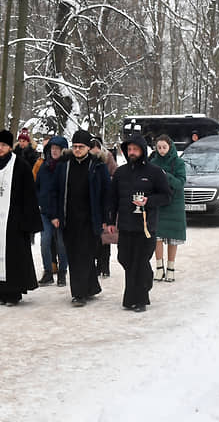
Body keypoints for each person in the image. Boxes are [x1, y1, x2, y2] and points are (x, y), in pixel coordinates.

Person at [0, 130, 43, 305]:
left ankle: (13, 293)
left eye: (4, 145)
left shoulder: (21, 166)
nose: (0, 148)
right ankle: (0, 291)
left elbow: (30, 196)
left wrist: (29, 223)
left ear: (9, 147)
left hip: (15, 221)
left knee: (14, 257)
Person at [107, 134, 171, 311]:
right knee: (125, 259)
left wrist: (148, 201)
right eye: (129, 149)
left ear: (143, 150)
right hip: (126, 226)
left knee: (140, 261)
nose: (132, 152)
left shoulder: (155, 172)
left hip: (146, 227)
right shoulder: (120, 173)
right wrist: (111, 220)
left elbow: (166, 196)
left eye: (135, 149)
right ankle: (143, 283)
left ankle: (140, 299)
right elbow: (112, 199)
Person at [49, 129, 110, 307]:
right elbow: (54, 191)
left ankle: (85, 289)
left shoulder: (97, 165)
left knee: (86, 254)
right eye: (74, 147)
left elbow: (107, 192)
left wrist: (107, 217)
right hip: (69, 218)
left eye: (81, 147)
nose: (77, 150)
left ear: (88, 148)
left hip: (91, 218)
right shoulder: (64, 165)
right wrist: (54, 215)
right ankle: (80, 293)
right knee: (75, 256)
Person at [149, 134, 186, 282]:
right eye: (159, 147)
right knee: (157, 236)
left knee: (173, 237)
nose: (162, 150)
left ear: (170, 147)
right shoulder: (153, 162)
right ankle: (159, 268)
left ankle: (171, 268)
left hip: (174, 203)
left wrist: (166, 176)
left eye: (164, 147)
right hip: (159, 203)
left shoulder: (178, 162)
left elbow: (181, 183)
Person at [34, 135, 69, 286]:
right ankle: (48, 271)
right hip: (45, 212)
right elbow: (38, 187)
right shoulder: (44, 166)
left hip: (61, 213)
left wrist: (57, 215)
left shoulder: (66, 166)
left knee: (61, 243)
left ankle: (62, 272)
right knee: (45, 241)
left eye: (57, 149)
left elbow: (61, 193)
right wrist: (39, 202)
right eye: (52, 148)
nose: (54, 151)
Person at [89, 136, 116, 278]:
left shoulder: (108, 158)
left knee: (105, 238)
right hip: (92, 202)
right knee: (94, 238)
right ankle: (94, 266)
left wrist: (106, 181)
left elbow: (115, 174)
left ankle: (104, 265)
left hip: (105, 200)